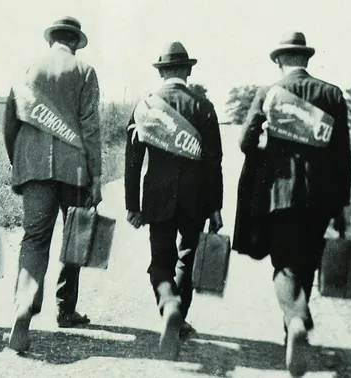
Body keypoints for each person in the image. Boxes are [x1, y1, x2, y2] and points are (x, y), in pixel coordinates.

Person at [233, 32, 351, 376]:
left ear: (280, 61)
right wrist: (341, 204)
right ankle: (293, 327)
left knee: (284, 265)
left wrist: (269, 149)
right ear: (306, 60)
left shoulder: (269, 93)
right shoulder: (332, 94)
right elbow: (343, 155)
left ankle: (295, 321)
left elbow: (245, 142)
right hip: (321, 197)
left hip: (279, 194)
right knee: (307, 265)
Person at [3, 16, 102, 352]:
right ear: (74, 41)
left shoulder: (28, 69)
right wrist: (97, 175)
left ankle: (24, 306)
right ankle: (66, 308)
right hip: (73, 168)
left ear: (52, 41)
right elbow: (90, 129)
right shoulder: (85, 71)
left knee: (34, 239)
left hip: (33, 167)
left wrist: (20, 163)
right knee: (76, 236)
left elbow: (10, 121)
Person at [124, 42, 224, 360]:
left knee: (160, 261)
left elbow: (132, 159)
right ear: (188, 71)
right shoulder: (204, 107)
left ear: (162, 71)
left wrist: (132, 204)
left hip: (157, 196)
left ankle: (168, 303)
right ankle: (178, 316)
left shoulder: (146, 105)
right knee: (187, 258)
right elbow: (214, 161)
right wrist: (216, 206)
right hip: (196, 198)